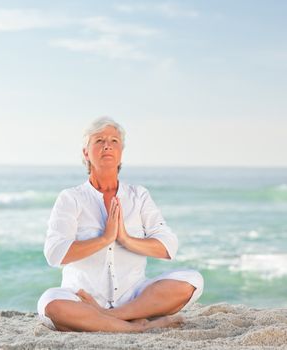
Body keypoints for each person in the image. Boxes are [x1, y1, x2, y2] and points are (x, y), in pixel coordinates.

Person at [37, 117, 204, 332]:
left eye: (114, 141)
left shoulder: (139, 196)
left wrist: (125, 239)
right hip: (81, 297)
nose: (107, 145)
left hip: (134, 297)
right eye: (99, 140)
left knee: (192, 281)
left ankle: (109, 316)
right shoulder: (71, 198)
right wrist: (105, 239)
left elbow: (168, 246)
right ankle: (136, 327)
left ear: (121, 152)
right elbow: (55, 254)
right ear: (86, 153)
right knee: (50, 304)